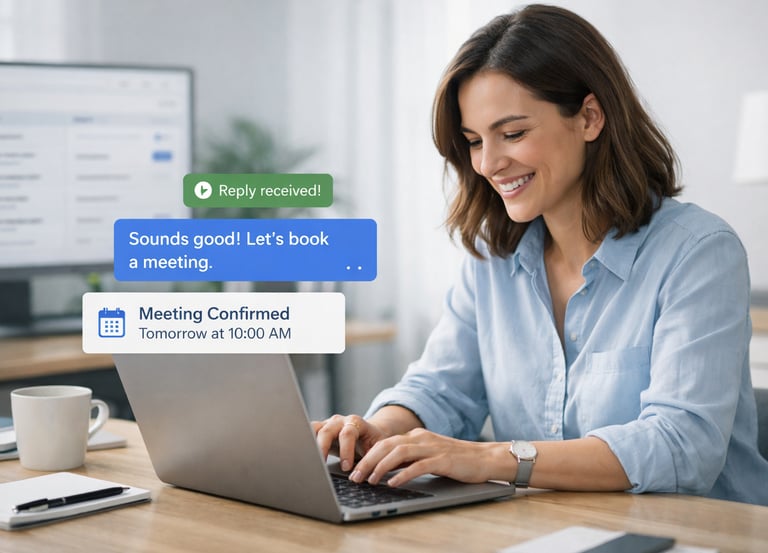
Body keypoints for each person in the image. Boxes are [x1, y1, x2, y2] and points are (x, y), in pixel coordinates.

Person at [313, 4, 768, 505]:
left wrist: (489, 459)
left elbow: (683, 445)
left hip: (700, 533)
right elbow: (443, 389)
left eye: (513, 134)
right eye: (473, 141)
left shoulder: (698, 253)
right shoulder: (493, 257)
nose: (488, 163)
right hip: (552, 530)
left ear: (590, 117)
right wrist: (379, 433)